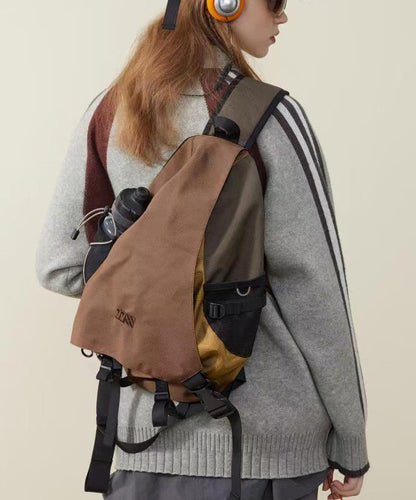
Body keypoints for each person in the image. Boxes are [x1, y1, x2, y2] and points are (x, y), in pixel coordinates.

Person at [35, 0, 370, 499]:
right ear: (225, 3)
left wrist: (151, 281)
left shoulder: (109, 111)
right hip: (263, 450)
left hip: (141, 441)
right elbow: (315, 292)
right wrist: (352, 439)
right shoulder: (273, 116)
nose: (282, 17)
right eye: (274, 3)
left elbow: (58, 266)